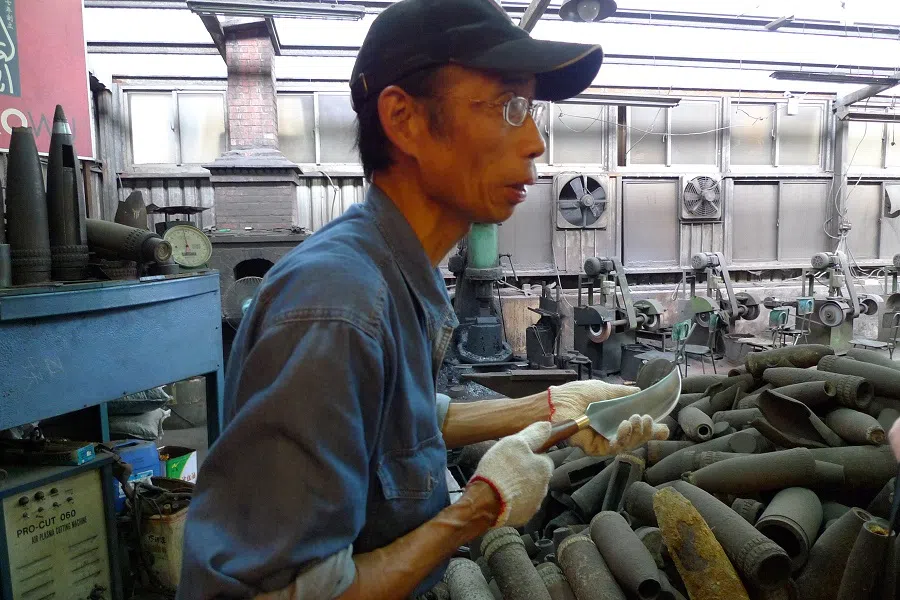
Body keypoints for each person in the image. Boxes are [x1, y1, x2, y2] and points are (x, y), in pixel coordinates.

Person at [177, 0, 669, 598]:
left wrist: (552, 409)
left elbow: (402, 422)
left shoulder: (398, 273)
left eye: (533, 110)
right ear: (404, 119)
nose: (536, 140)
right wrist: (480, 506)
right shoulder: (338, 306)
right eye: (510, 107)